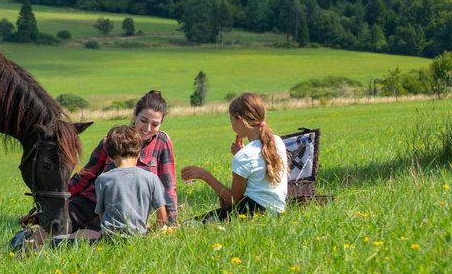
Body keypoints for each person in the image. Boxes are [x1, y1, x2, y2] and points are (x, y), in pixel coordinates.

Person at [66, 90, 178, 230]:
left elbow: (168, 186)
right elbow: (87, 175)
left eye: (155, 124)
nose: (147, 128)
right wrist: (60, 193)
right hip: (91, 202)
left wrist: (172, 223)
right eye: (143, 121)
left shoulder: (162, 142)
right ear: (135, 115)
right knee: (54, 227)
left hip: (127, 214)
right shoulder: (112, 139)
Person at [181, 92, 288, 221]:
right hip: (277, 213)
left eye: (232, 120)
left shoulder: (244, 156)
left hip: (251, 212)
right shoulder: (277, 142)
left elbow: (233, 200)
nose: (232, 125)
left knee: (189, 224)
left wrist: (204, 175)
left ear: (240, 120)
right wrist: (241, 154)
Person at [95, 125, 168, 236]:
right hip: (139, 236)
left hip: (109, 238)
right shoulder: (151, 178)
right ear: (138, 154)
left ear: (110, 156)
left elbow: (101, 214)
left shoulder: (102, 179)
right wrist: (149, 232)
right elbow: (162, 218)